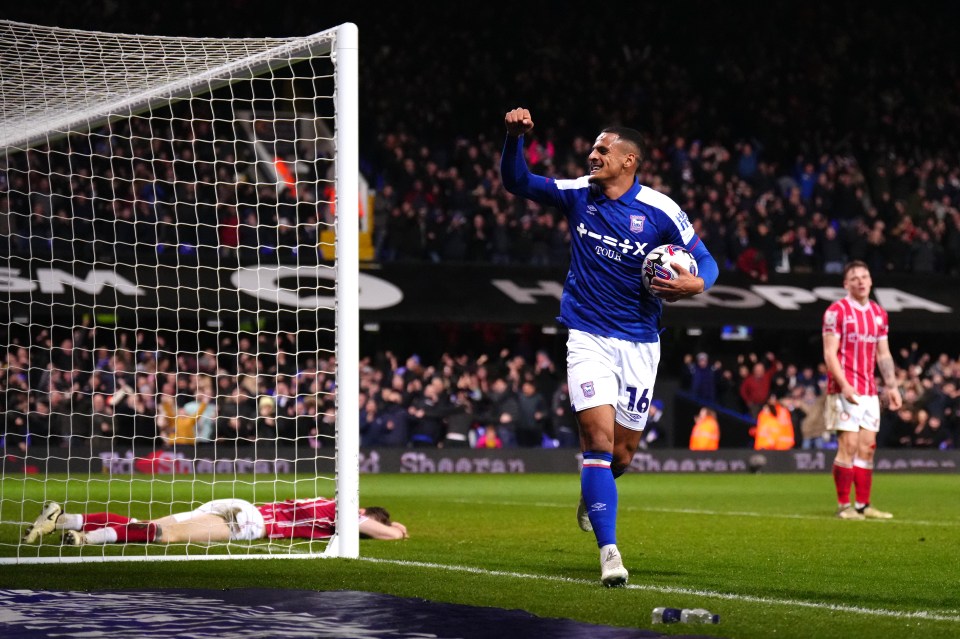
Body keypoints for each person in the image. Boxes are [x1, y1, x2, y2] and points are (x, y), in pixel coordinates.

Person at [501, 108, 719, 587]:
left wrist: (695, 284)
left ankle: (593, 492)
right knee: (597, 443)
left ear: (629, 160)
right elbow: (519, 182)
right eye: (593, 149)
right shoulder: (580, 194)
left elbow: (706, 260)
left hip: (641, 342)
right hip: (587, 335)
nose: (592, 155)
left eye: (603, 150)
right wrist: (515, 139)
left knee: (621, 456)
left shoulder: (661, 210)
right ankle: (610, 552)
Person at [822, 260, 902, 520]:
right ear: (846, 284)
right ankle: (844, 505)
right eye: (854, 277)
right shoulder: (836, 312)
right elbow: (829, 353)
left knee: (868, 447)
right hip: (843, 388)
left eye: (864, 276)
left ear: (870, 280)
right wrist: (844, 384)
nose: (861, 281)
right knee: (849, 444)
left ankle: (863, 505)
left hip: (869, 390)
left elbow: (884, 354)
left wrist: (892, 386)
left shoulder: (879, 313)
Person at [23, 497, 408, 546]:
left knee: (144, 523)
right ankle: (87, 541)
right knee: (164, 535)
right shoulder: (349, 511)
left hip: (239, 505)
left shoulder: (326, 502)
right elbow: (367, 527)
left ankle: (63, 518)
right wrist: (396, 530)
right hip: (250, 521)